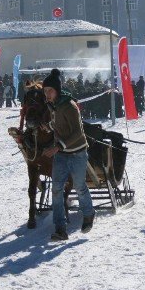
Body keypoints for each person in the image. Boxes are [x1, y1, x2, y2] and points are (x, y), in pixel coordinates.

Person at [41, 68, 94, 241]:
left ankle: (88, 213)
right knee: (56, 190)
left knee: (79, 187)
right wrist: (49, 126)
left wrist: (57, 147)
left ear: (57, 90)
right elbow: (58, 123)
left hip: (77, 153)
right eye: (45, 91)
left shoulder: (70, 106)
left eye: (50, 90)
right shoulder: (53, 106)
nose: (47, 94)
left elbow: (78, 133)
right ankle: (60, 229)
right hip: (62, 155)